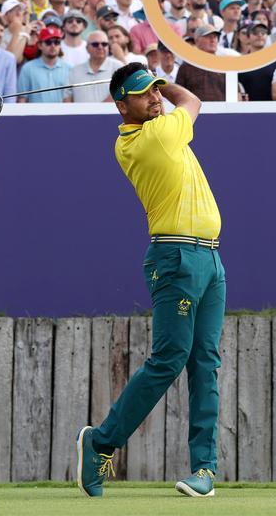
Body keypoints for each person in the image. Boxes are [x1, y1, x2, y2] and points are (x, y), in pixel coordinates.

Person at [77, 64, 225, 499]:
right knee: (169, 359)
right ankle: (101, 442)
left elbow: (176, 102)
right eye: (144, 95)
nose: (156, 98)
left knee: (205, 364)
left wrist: (152, 78)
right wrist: (165, 77)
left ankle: (204, 470)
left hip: (210, 257)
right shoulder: (154, 137)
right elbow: (192, 101)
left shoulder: (158, 127)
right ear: (121, 106)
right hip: (176, 256)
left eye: (156, 91)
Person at [66, 31, 123, 102]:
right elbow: (67, 98)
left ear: (108, 47)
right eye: (95, 44)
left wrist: (100, 109)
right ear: (87, 48)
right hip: (81, 113)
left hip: (111, 113)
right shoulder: (75, 71)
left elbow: (123, 92)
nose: (100, 47)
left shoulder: (118, 67)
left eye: (104, 44)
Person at [17, 26, 70, 102]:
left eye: (57, 42)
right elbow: (22, 99)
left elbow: (69, 100)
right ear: (40, 45)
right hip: (35, 114)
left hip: (62, 113)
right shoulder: (27, 68)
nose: (53, 46)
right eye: (48, 42)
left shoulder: (69, 68)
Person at [175, 26, 225, 101]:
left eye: (215, 37)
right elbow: (178, 95)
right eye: (208, 37)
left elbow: (235, 92)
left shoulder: (224, 65)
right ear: (197, 40)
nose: (212, 40)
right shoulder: (186, 67)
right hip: (195, 111)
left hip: (223, 111)